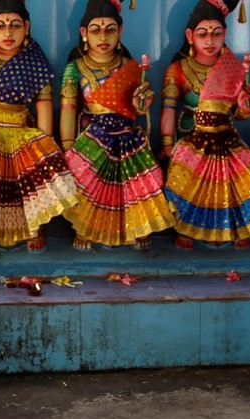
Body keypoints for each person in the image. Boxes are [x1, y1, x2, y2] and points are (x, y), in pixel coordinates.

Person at [159, 0, 250, 250]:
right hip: (192, 137)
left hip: (227, 136)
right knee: (188, 179)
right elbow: (168, 109)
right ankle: (187, 227)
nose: (210, 41)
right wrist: (166, 145)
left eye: (217, 34)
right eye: (203, 34)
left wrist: (246, 107)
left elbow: (239, 114)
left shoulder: (233, 68)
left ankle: (237, 226)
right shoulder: (178, 70)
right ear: (190, 36)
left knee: (241, 177)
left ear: (225, 35)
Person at [0, 0, 79, 253]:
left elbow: (44, 104)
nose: (8, 33)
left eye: (15, 26)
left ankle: (31, 226)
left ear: (26, 27)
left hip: (22, 130)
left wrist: (45, 141)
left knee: (27, 182)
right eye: (1, 26)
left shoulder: (35, 62)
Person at [60, 0, 174, 251]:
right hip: (93, 136)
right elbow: (68, 110)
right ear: (84, 34)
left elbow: (139, 111)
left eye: (110, 30)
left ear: (120, 32)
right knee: (87, 180)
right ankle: (86, 228)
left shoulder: (128, 67)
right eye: (95, 30)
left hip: (127, 137)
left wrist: (142, 102)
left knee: (135, 185)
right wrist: (68, 147)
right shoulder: (75, 69)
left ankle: (135, 226)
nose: (103, 37)